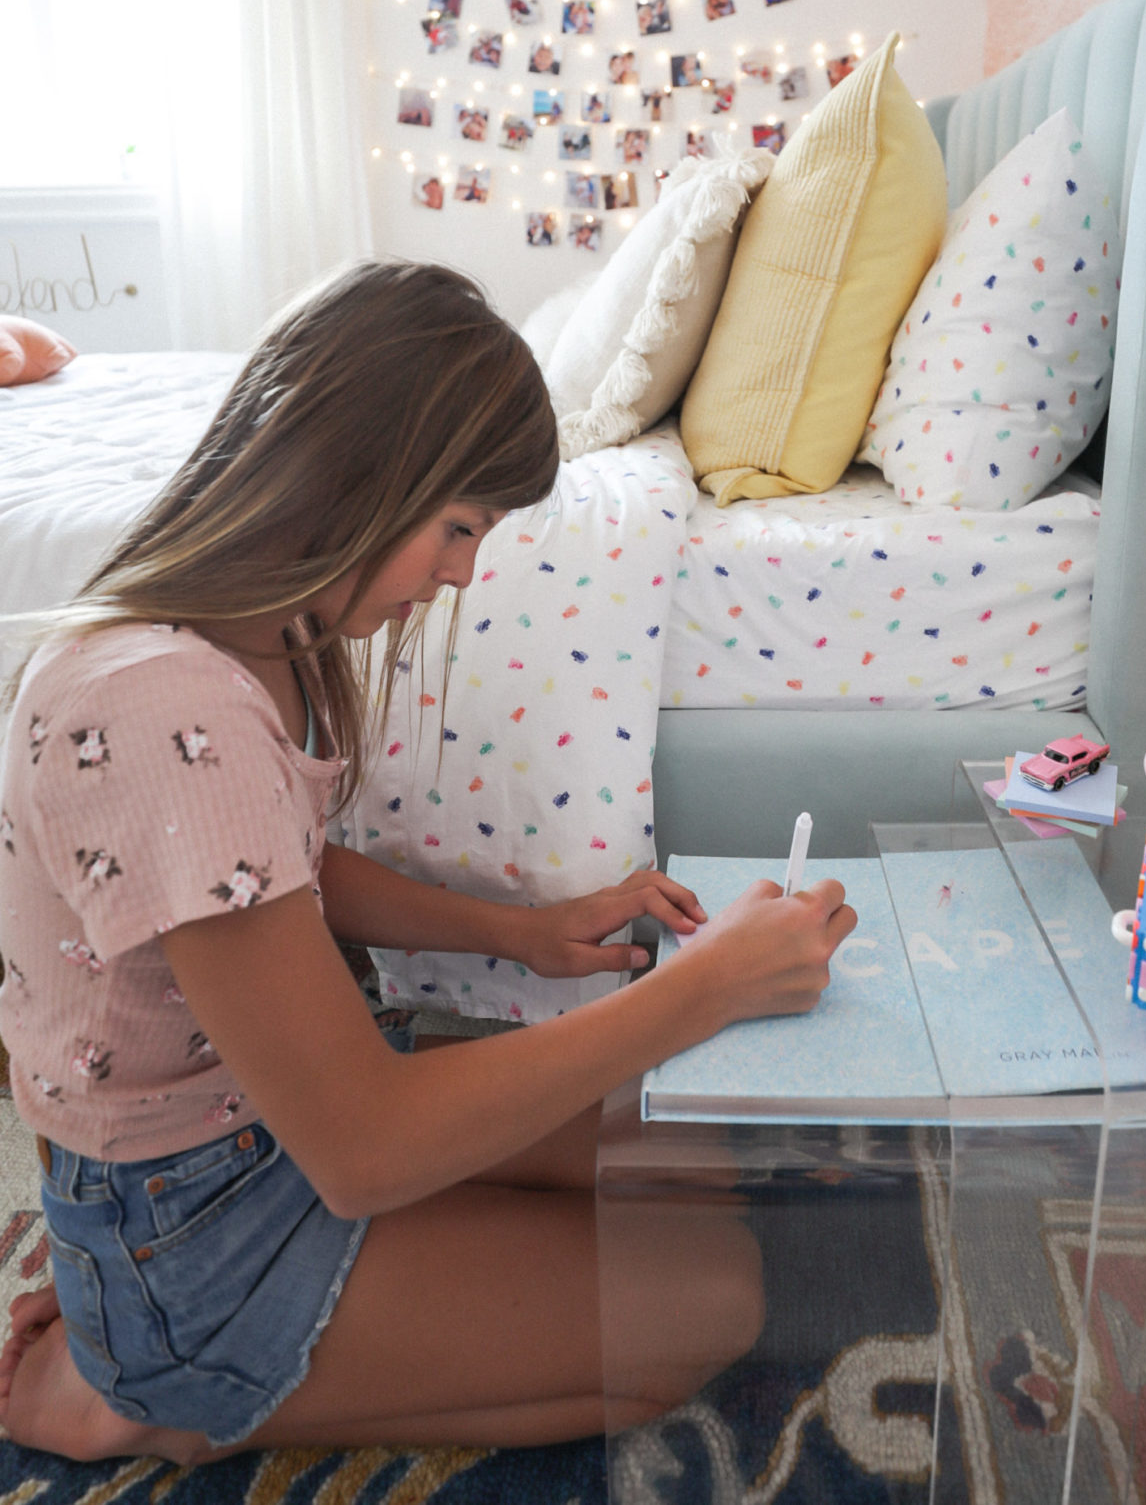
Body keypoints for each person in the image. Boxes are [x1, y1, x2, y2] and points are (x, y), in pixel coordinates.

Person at [0, 260, 854, 1465]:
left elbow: (274, 872)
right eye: (457, 527)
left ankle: (147, 1334)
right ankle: (153, 1396)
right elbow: (366, 1149)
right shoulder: (158, 705)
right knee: (714, 1298)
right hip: (201, 1222)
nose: (462, 573)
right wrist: (703, 989)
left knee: (689, 1161)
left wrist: (522, 931)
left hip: (263, 1129)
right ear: (350, 469)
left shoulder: (268, 632)